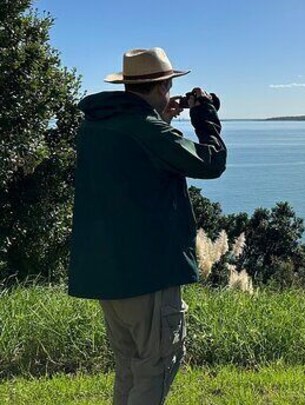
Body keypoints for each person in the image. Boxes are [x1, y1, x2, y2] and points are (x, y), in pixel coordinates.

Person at [67, 47, 227, 405]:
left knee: (130, 366)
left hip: (108, 274)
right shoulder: (147, 130)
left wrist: (161, 121)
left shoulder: (98, 126)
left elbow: (134, 168)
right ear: (163, 85)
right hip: (148, 273)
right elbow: (211, 162)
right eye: (169, 87)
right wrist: (206, 116)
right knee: (157, 365)